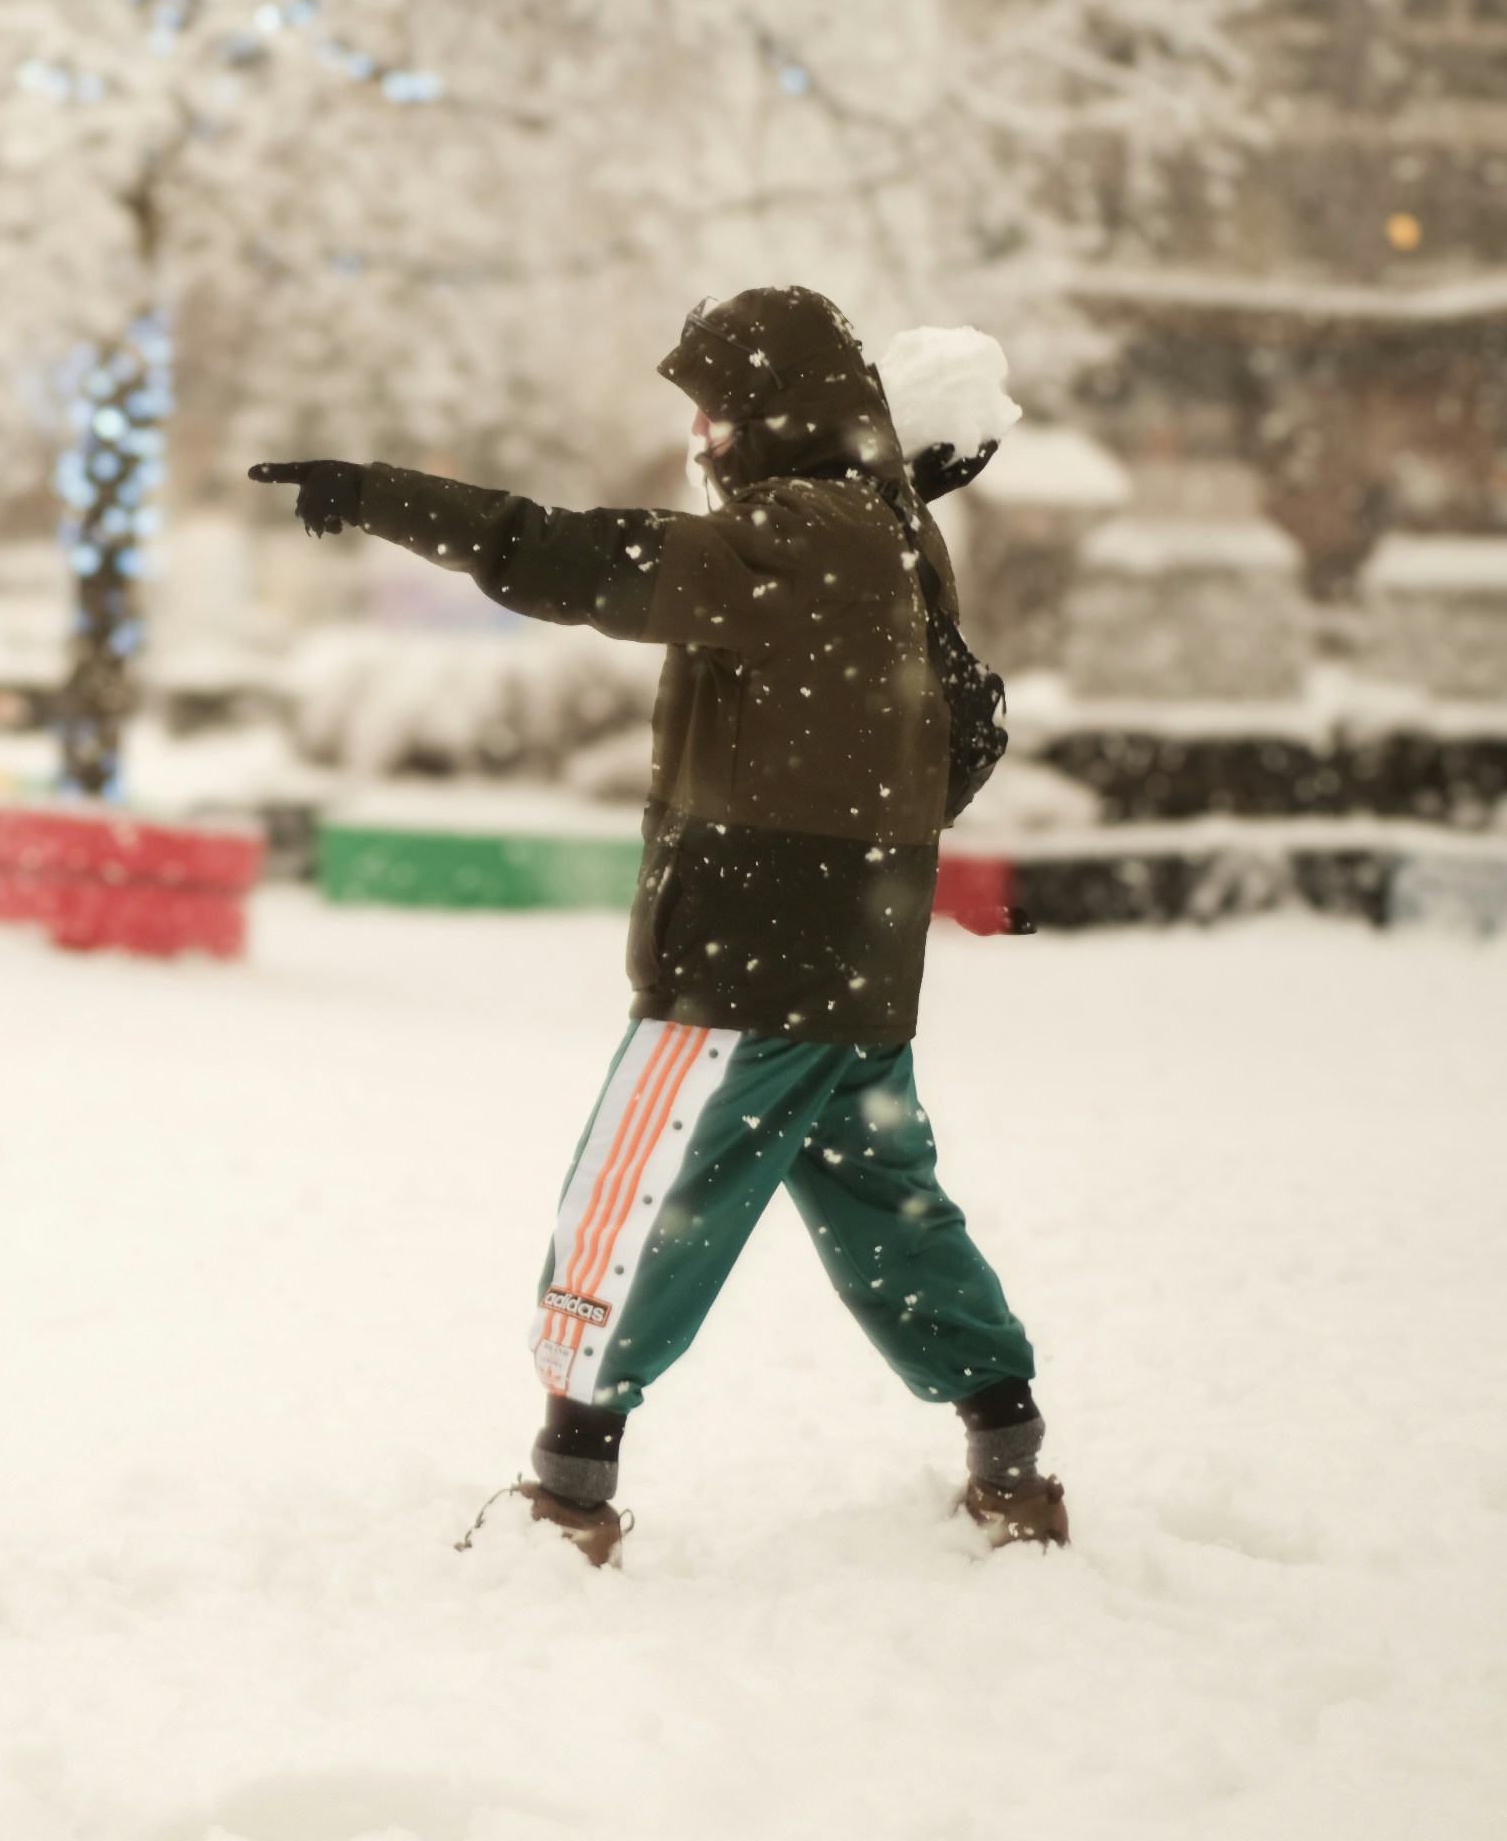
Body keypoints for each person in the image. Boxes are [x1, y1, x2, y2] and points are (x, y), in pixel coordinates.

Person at [251, 285, 1063, 1567]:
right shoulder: (876, 525)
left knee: (635, 1197)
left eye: (711, 411)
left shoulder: (809, 534)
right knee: (886, 1203)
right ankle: (1009, 1459)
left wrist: (383, 494)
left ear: (766, 414)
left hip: (754, 944)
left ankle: (566, 1496)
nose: (697, 436)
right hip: (847, 944)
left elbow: (582, 559)